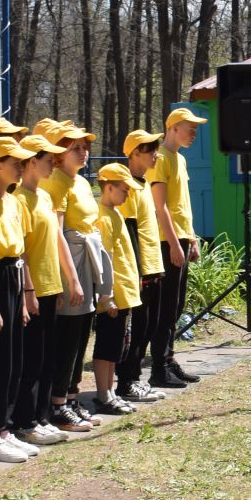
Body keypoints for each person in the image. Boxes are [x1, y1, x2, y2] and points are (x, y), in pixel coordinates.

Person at [0, 136, 42, 463]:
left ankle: (3, 429)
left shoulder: (12, 201)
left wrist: (27, 292)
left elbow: (22, 252)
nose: (20, 166)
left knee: (14, 361)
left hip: (13, 277)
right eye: (14, 161)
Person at [42, 120, 107, 424]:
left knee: (82, 332)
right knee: (67, 334)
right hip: (70, 263)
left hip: (87, 261)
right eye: (75, 148)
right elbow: (56, 233)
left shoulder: (81, 181)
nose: (83, 153)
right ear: (57, 154)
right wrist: (69, 278)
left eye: (85, 148)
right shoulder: (55, 182)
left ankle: (71, 395)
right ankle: (57, 402)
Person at [11, 133, 72, 446]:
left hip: (50, 288)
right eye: (48, 160)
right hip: (33, 292)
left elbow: (53, 243)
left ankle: (42, 416)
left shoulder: (46, 198)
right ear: (31, 162)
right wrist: (28, 290)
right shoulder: (19, 199)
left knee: (48, 357)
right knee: (31, 359)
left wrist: (62, 281)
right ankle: (25, 420)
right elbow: (21, 252)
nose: (53, 164)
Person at [148, 106, 208, 391]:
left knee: (177, 305)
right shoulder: (161, 160)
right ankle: (158, 368)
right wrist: (173, 243)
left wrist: (191, 239)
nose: (194, 133)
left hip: (181, 239)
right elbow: (160, 207)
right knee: (166, 306)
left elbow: (182, 205)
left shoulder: (180, 160)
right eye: (189, 128)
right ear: (173, 128)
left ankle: (169, 361)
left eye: (195, 129)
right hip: (165, 241)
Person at [116, 131, 169, 405]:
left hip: (153, 264)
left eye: (156, 149)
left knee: (148, 326)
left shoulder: (145, 183)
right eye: (149, 150)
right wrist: (136, 271)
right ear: (135, 152)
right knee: (136, 330)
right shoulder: (126, 186)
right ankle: (126, 382)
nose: (155, 155)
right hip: (140, 270)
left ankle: (135, 379)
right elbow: (128, 231)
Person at [90, 163, 143, 416]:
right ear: (108, 188)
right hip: (113, 296)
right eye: (124, 190)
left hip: (124, 294)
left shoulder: (116, 214)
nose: (127, 195)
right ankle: (102, 394)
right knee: (106, 345)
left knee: (116, 348)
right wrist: (107, 295)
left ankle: (109, 391)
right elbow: (105, 257)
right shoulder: (102, 217)